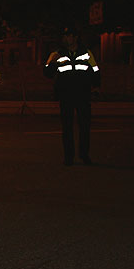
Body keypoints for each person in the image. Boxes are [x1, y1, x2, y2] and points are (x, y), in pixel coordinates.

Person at [44, 27, 100, 165]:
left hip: (83, 95)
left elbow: (95, 70)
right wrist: (51, 62)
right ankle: (69, 157)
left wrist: (97, 87)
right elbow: (47, 74)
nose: (66, 39)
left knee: (84, 127)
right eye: (65, 36)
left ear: (75, 37)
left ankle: (84, 155)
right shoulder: (58, 54)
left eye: (69, 36)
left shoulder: (86, 53)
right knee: (67, 128)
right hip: (66, 96)